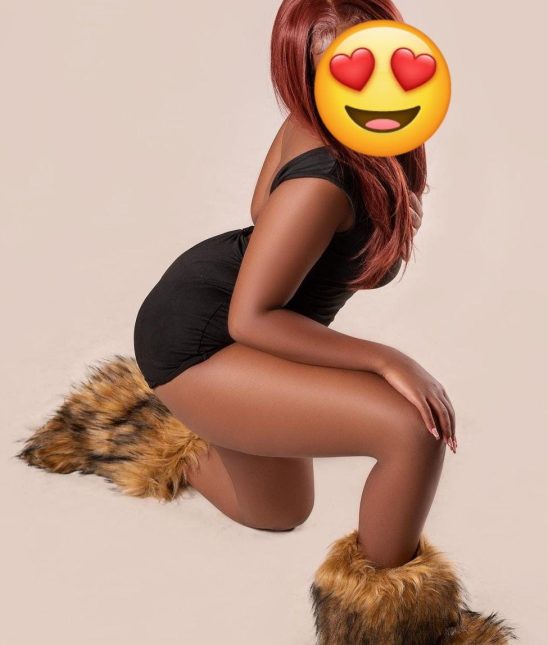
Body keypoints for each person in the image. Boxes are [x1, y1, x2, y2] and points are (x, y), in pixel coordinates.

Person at [131, 1, 515, 642]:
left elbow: (260, 208)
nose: (370, 81)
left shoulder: (338, 126)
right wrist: (389, 360)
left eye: (373, 54)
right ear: (304, 72)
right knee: (410, 429)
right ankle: (395, 628)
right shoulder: (325, 179)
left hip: (234, 317)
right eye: (336, 65)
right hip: (204, 340)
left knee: (277, 512)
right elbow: (252, 317)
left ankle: (160, 434)